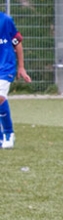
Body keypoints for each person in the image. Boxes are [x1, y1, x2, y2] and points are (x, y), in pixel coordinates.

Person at [0, 10, 31, 149]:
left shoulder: (5, 20)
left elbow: (17, 43)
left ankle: (8, 133)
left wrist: (21, 67)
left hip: (5, 67)